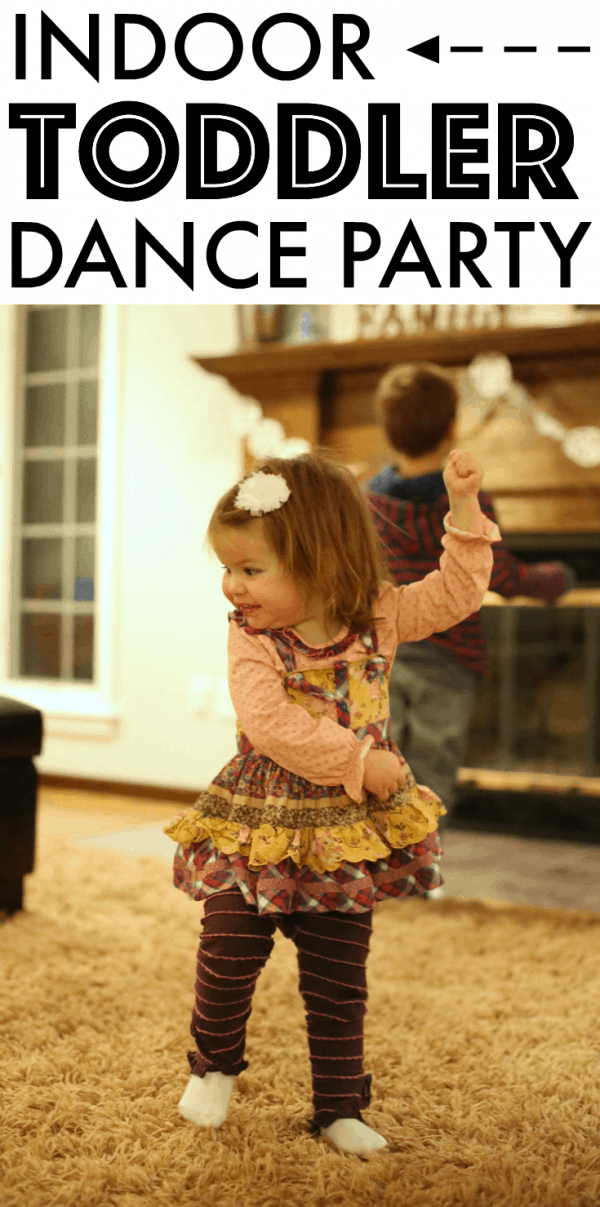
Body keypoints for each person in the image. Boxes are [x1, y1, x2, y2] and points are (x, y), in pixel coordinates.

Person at [163, 448, 500, 1157]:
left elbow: (457, 593)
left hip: (345, 831)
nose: (233, 586)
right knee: (227, 944)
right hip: (260, 820)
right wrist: (356, 758)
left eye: (251, 570)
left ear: (319, 557)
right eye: (228, 568)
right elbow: (269, 724)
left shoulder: (380, 611)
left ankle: (338, 1104)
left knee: (340, 975)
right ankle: (215, 1063)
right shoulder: (252, 636)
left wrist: (463, 509)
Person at [367, 362, 576, 854]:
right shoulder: (464, 498)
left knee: (382, 757)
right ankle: (417, 861)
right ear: (451, 428)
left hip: (386, 655)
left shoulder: (367, 498)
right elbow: (498, 574)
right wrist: (557, 579)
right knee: (433, 763)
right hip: (449, 658)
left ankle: (380, 855)